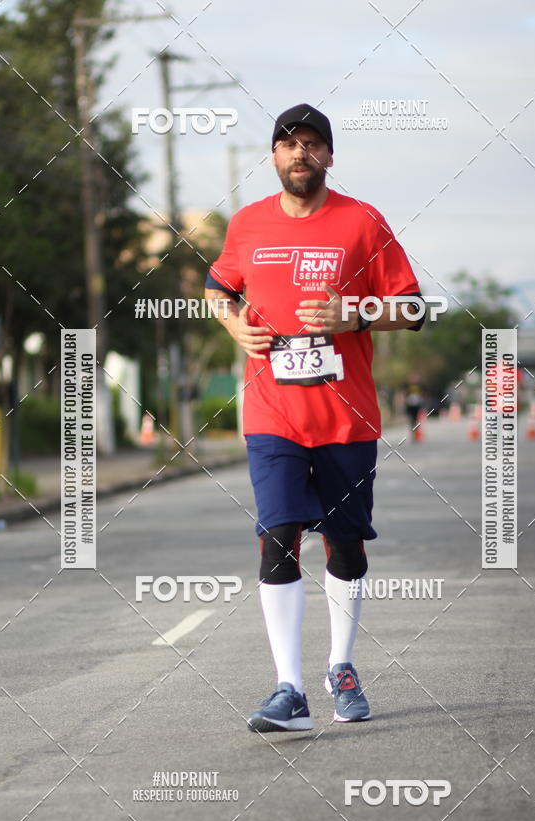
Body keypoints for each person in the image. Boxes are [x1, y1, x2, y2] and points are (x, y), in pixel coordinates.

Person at [205, 102, 425, 733]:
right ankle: (289, 690)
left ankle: (341, 668)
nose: (299, 152)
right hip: (272, 413)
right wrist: (232, 322)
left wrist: (355, 317)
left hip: (346, 419)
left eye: (311, 143)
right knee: (277, 536)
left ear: (329, 155)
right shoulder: (246, 225)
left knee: (345, 547)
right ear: (273, 156)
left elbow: (413, 309)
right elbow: (220, 289)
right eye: (287, 143)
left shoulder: (362, 222)